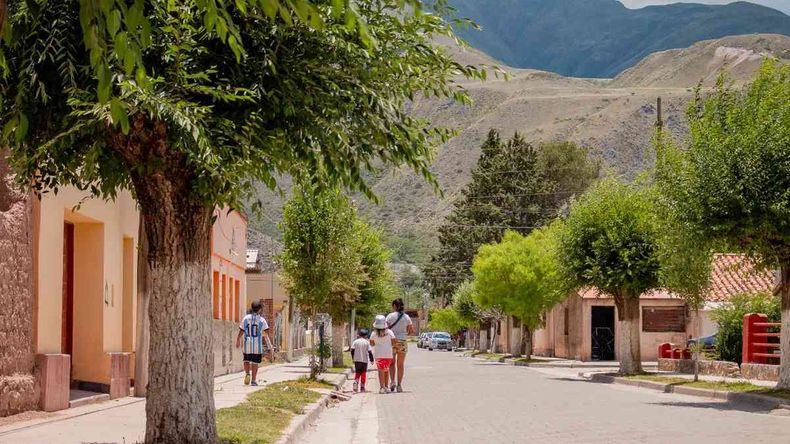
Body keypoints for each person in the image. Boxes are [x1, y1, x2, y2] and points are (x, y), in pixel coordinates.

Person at [235, 301, 274, 386]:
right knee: (255, 362)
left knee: (246, 360)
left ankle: (247, 373)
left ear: (251, 308)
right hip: (257, 346)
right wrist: (269, 344)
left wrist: (238, 339)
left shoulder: (246, 318)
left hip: (247, 344)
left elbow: (241, 330)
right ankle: (253, 380)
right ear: (260, 309)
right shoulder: (262, 320)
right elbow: (266, 332)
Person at [386, 298, 414, 393]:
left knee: (391, 363)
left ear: (394, 306)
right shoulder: (406, 317)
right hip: (402, 342)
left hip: (392, 341)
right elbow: (411, 331)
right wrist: (404, 334)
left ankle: (392, 382)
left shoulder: (390, 316)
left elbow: (385, 329)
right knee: (400, 365)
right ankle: (399, 385)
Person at [369, 315, 395, 394]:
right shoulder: (389, 332)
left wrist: (378, 343)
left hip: (379, 354)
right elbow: (393, 342)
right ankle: (386, 386)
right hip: (388, 354)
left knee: (381, 370)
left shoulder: (373, 333)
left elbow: (372, 344)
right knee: (386, 370)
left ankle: (382, 387)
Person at [350, 328, 374, 393]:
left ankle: (355, 383)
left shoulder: (355, 341)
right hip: (364, 361)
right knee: (363, 373)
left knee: (357, 372)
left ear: (359, 335)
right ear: (366, 336)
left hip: (357, 360)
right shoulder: (367, 342)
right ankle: (362, 387)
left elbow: (352, 350)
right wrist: (372, 360)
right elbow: (370, 352)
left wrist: (353, 358)